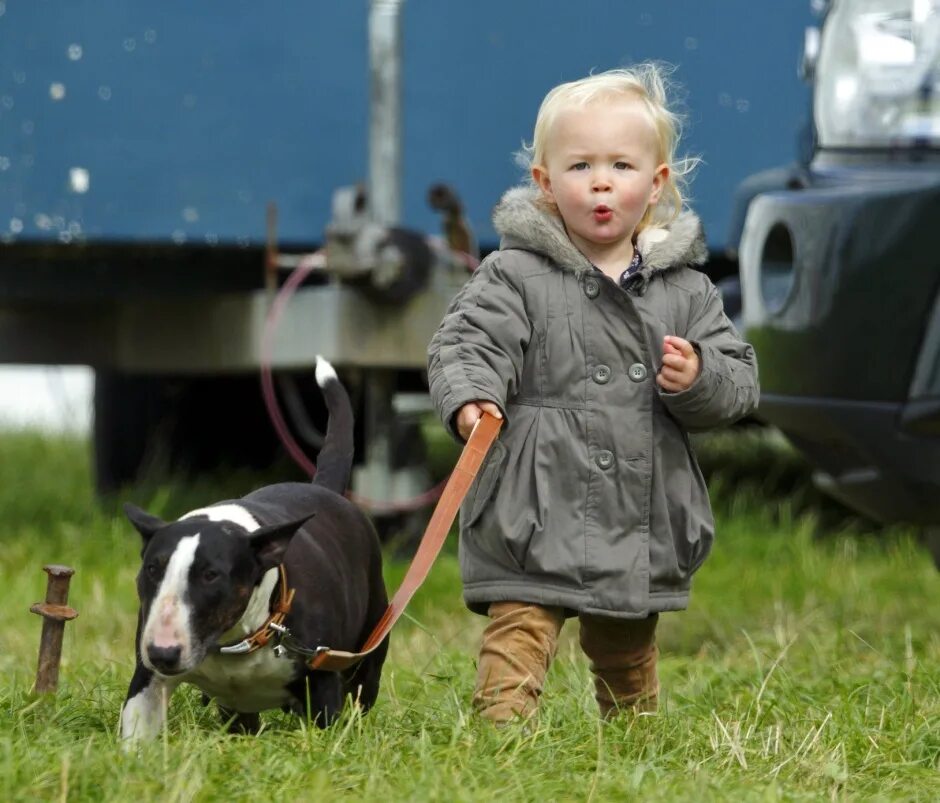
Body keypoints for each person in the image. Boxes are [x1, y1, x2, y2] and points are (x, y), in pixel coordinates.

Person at [427, 64, 759, 724]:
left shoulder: (685, 289)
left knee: (626, 644)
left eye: (621, 165)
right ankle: (500, 743)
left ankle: (633, 743)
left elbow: (739, 380)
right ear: (546, 185)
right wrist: (472, 397)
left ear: (657, 182)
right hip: (535, 503)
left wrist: (698, 378)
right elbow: (467, 341)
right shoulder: (516, 273)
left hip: (637, 516)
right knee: (519, 631)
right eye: (580, 166)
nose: (601, 181)